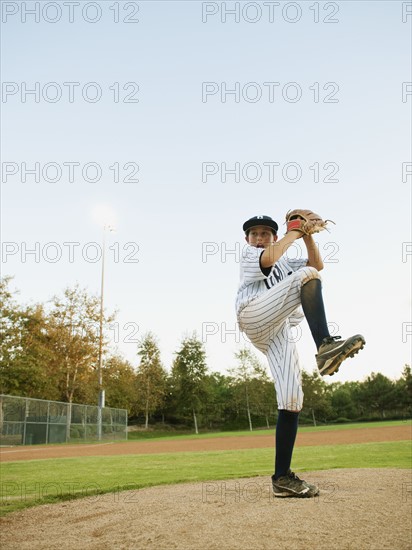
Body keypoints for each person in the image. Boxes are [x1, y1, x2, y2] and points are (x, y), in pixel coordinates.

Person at [235, 214, 365, 498]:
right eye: (254, 233)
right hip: (254, 315)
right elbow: (271, 259)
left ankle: (282, 477)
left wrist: (307, 235)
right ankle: (325, 345)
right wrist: (295, 230)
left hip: (278, 327)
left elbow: (317, 265)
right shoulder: (249, 254)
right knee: (305, 277)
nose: (259, 237)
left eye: (265, 233)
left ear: (273, 236)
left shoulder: (283, 259)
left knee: (292, 399)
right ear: (247, 239)